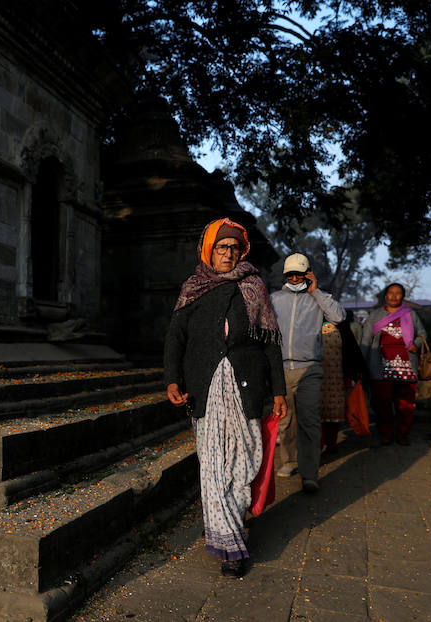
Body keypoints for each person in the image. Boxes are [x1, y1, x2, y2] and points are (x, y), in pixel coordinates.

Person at [164, 218, 287, 578]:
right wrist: (172, 378)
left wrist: (279, 389)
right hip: (204, 387)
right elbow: (175, 339)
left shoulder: (254, 287)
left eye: (234, 248)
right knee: (214, 462)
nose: (228, 254)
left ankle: (230, 516)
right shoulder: (193, 288)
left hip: (246, 387)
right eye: (222, 247)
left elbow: (269, 344)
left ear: (242, 251)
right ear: (209, 250)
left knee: (244, 460)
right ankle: (231, 543)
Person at [270, 253, 345, 493]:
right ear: (285, 275)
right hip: (281, 368)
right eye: (290, 274)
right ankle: (289, 461)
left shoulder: (318, 298)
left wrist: (316, 291)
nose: (294, 278)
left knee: (309, 419)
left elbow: (338, 316)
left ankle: (309, 472)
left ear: (307, 274)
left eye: (299, 274)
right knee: (286, 420)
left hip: (310, 368)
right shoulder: (274, 299)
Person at [360, 283, 427, 445]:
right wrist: (361, 365)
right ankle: (386, 433)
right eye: (391, 293)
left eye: (398, 293)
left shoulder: (410, 314)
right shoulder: (375, 315)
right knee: (382, 403)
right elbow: (366, 341)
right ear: (385, 296)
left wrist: (416, 344)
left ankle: (403, 434)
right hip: (380, 365)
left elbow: (422, 333)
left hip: (406, 365)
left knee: (406, 404)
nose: (394, 296)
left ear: (403, 297)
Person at [320, 310, 368, 453]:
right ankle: (317, 446)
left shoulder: (341, 326)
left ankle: (331, 444)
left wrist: (356, 373)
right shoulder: (309, 323)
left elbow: (351, 349)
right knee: (314, 414)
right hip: (313, 377)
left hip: (336, 378)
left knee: (333, 413)